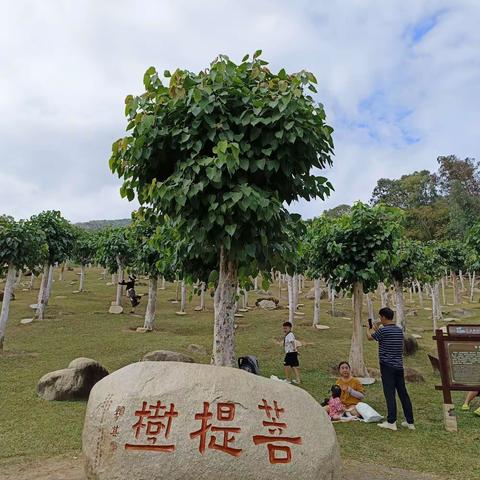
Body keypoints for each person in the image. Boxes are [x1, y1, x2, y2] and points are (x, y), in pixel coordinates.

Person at [367, 307, 415, 431]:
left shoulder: (383, 331)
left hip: (387, 367)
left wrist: (370, 328)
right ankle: (410, 422)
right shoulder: (398, 330)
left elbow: (369, 337)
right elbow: (382, 337)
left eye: (380, 317)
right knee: (403, 393)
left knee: (390, 394)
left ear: (383, 317)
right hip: (399, 366)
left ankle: (391, 422)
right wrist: (378, 329)